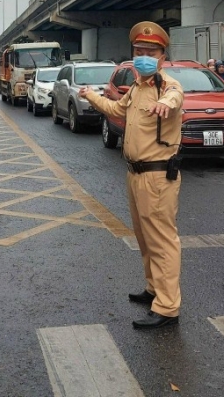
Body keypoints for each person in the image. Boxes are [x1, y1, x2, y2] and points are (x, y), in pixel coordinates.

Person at [78, 21, 184, 330]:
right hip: (135, 174)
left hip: (157, 176)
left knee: (162, 241)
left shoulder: (168, 87)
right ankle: (154, 289)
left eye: (150, 52)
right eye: (138, 51)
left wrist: (165, 105)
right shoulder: (138, 87)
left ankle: (167, 307)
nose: (143, 56)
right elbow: (117, 109)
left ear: (162, 56)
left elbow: (174, 100)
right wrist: (90, 96)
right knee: (144, 237)